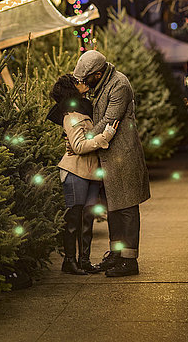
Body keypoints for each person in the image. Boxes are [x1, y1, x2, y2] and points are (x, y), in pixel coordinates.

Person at [73, 50, 151, 277]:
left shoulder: (119, 85)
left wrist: (82, 140)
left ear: (97, 74)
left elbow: (109, 121)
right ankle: (117, 254)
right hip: (107, 157)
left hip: (123, 156)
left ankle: (129, 260)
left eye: (85, 79)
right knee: (113, 207)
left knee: (126, 206)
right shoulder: (100, 84)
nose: (83, 84)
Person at [47, 74, 118, 275]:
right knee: (74, 219)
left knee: (88, 218)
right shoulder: (72, 117)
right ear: (71, 89)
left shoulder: (85, 110)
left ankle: (84, 260)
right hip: (75, 172)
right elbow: (78, 147)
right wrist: (105, 137)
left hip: (91, 173)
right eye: (78, 82)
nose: (83, 83)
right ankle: (69, 262)